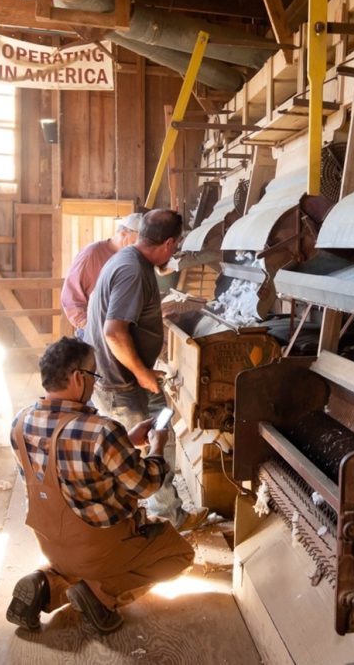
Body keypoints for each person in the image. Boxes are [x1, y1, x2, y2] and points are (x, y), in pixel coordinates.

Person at [6, 338, 194, 634]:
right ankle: (100, 593)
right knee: (179, 554)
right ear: (79, 378)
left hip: (50, 544)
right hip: (99, 547)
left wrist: (126, 442)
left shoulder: (20, 422)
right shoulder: (102, 431)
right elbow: (147, 486)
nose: (94, 384)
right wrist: (156, 448)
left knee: (76, 562)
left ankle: (44, 584)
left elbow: (63, 466)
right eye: (93, 376)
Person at [85, 209, 209, 531]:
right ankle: (160, 525)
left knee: (159, 428)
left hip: (125, 377)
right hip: (119, 381)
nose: (175, 251)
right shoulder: (132, 271)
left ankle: (170, 513)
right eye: (176, 245)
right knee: (137, 455)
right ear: (169, 242)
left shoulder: (129, 259)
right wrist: (141, 373)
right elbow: (114, 332)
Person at [60, 212, 142, 339]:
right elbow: (71, 295)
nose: (139, 246)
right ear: (124, 234)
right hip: (94, 331)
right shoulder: (91, 254)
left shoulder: (131, 257)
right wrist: (88, 325)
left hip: (119, 329)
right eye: (136, 241)